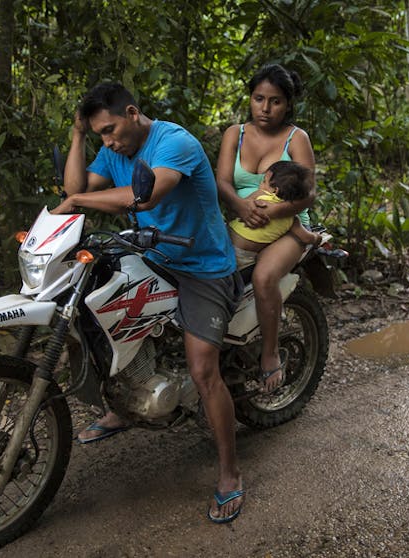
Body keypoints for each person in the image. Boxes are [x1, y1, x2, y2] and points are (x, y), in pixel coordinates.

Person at [53, 82, 246, 523]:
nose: (109, 140)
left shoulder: (173, 141)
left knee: (202, 369)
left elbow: (147, 195)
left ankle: (229, 473)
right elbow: (76, 185)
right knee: (97, 310)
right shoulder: (113, 150)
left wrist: (79, 200)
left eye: (110, 129)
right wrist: (78, 137)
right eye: (100, 134)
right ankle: (123, 405)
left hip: (202, 265)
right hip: (152, 252)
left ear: (133, 112)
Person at [215, 64, 316, 393]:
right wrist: (242, 205)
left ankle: (270, 354)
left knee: (263, 277)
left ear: (287, 104)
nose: (265, 108)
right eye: (259, 99)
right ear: (250, 98)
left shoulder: (296, 138)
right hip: (241, 217)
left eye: (275, 101)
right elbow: (222, 182)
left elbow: (308, 194)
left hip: (287, 225)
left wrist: (273, 212)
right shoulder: (235, 134)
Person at [228, 160, 321, 271]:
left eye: (263, 181)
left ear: (275, 190)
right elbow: (306, 238)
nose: (260, 185)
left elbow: (239, 209)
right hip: (246, 258)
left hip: (226, 241)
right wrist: (317, 238)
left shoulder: (260, 195)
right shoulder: (293, 220)